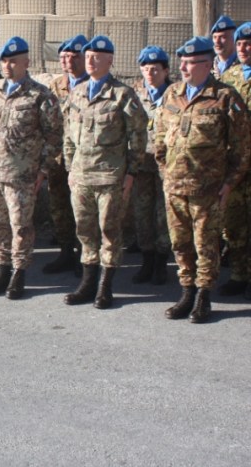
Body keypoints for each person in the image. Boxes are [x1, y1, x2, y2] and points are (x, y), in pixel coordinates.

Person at [155, 36, 250, 323]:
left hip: (207, 190)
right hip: (174, 186)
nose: (183, 67)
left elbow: (243, 147)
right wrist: (164, 172)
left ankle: (203, 297)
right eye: (181, 61)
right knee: (180, 244)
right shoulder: (172, 93)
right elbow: (159, 137)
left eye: (190, 62)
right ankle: (186, 292)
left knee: (205, 245)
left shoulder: (225, 97)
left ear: (207, 64)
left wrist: (228, 183)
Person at [62, 36, 147, 310]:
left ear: (110, 60)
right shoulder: (77, 93)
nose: (90, 59)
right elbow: (68, 135)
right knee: (85, 231)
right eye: (88, 55)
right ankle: (87, 283)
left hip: (110, 177)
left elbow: (138, 135)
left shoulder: (122, 94)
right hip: (82, 177)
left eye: (97, 56)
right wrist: (69, 168)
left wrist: (131, 171)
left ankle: (105, 286)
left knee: (109, 231)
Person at [0, 38, 62, 300]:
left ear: (26, 62)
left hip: (22, 176)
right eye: (4, 60)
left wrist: (43, 171)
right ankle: (1, 269)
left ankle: (19, 274)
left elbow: (54, 137)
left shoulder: (40, 95)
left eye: (13, 60)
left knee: (21, 227)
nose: (7, 65)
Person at [44, 35, 90, 274]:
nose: (69, 61)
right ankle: (65, 251)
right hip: (57, 156)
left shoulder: (92, 85)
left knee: (82, 208)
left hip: (83, 158)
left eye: (74, 56)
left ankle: (86, 256)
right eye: (65, 57)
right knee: (59, 204)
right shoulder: (55, 86)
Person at [130, 46, 173, 285]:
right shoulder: (135, 93)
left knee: (162, 215)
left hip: (166, 165)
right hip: (142, 164)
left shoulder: (175, 94)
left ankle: (161, 263)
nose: (150, 73)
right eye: (145, 68)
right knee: (142, 214)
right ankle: (146, 260)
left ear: (165, 71)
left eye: (155, 69)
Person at [218, 21, 251, 300]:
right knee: (234, 221)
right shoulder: (230, 77)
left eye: (249, 43)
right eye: (240, 43)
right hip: (237, 163)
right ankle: (239, 275)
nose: (244, 48)